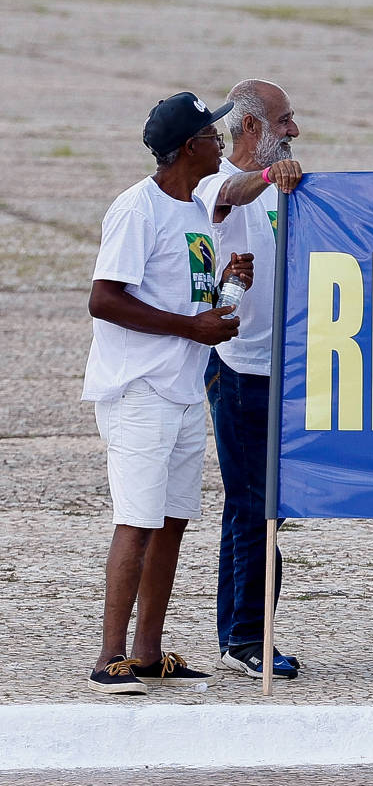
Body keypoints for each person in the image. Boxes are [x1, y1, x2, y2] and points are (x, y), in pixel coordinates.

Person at [83, 94, 245, 696]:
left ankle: (148, 654)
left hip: (181, 388)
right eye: (210, 132)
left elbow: (189, 303)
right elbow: (105, 298)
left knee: (172, 521)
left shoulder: (195, 209)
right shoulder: (137, 208)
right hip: (140, 390)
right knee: (138, 520)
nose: (220, 140)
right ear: (186, 149)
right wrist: (192, 328)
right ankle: (109, 658)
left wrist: (228, 289)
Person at [192, 79, 305, 680]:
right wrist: (268, 179)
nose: (294, 131)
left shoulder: (287, 187)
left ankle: (242, 630)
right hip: (238, 371)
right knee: (252, 506)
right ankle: (245, 636)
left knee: (268, 508)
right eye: (285, 120)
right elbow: (233, 191)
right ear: (253, 127)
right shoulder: (217, 185)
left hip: (285, 370)